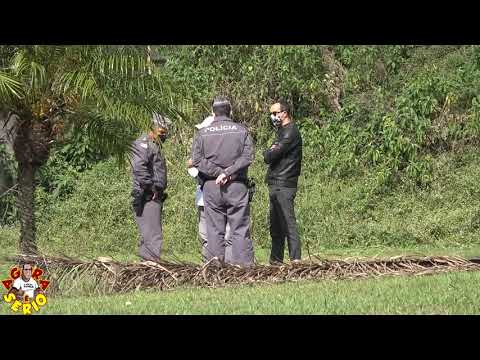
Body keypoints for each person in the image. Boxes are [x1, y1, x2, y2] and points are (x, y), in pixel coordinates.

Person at [191, 96, 254, 266]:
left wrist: (219, 173)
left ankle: (215, 271)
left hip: (212, 186)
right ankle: (244, 270)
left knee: (214, 230)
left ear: (213, 113)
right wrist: (228, 172)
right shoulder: (242, 131)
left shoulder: (202, 133)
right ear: (230, 111)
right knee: (240, 228)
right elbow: (248, 157)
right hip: (237, 185)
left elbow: (196, 160)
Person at [187, 116, 232, 263]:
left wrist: (193, 167)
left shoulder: (210, 150)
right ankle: (212, 265)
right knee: (209, 236)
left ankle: (221, 265)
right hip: (206, 198)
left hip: (215, 196)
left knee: (219, 235)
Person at [263, 102, 303, 265]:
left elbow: (269, 156)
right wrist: (270, 150)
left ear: (284, 113)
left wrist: (269, 151)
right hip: (275, 183)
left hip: (284, 183)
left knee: (288, 223)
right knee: (276, 226)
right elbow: (270, 153)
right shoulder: (281, 132)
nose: (272, 117)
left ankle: (295, 260)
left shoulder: (290, 132)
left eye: (275, 113)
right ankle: (276, 260)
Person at [130, 113, 169, 263]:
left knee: (149, 236)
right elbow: (139, 168)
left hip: (153, 195)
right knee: (153, 236)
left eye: (165, 131)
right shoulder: (143, 144)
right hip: (147, 196)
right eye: (161, 131)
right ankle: (151, 270)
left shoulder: (154, 144)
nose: (164, 134)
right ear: (151, 128)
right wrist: (151, 189)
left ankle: (144, 269)